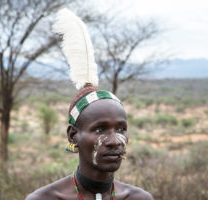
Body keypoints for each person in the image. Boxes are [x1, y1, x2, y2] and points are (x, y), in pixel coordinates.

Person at [26, 8, 153, 200]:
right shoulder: (44, 199)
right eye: (100, 129)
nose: (114, 141)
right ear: (73, 135)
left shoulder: (139, 198)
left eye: (121, 129)